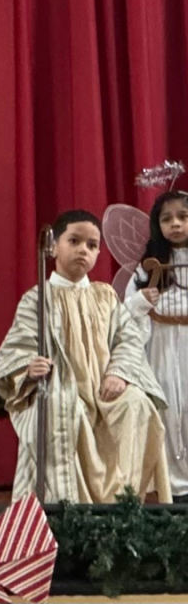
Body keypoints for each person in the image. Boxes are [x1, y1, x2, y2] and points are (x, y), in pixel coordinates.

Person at [0, 209, 171, 503]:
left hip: (105, 389)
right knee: (62, 409)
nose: (83, 250)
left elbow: (126, 339)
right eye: (74, 241)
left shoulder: (104, 296)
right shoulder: (38, 298)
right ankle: (71, 507)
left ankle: (123, 502)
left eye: (91, 245)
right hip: (63, 388)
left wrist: (119, 372)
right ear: (53, 247)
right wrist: (29, 367)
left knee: (139, 405)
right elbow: (18, 347)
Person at [123, 190, 188, 502]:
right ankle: (172, 485)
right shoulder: (150, 266)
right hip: (162, 344)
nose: (175, 224)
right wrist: (140, 301)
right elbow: (125, 313)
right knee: (170, 409)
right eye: (167, 219)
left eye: (183, 217)